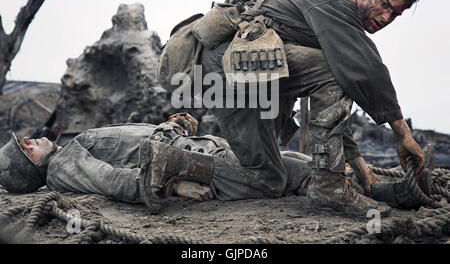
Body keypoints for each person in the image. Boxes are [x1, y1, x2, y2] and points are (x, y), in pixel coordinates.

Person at [193, 0, 425, 214]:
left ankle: (175, 162)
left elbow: (331, 106)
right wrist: (403, 135)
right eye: (386, 5)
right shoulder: (336, 5)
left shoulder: (336, 20)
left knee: (267, 180)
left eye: (395, 15)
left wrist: (361, 169)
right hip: (225, 69)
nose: (386, 18)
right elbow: (369, 70)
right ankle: (328, 189)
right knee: (337, 70)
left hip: (237, 77)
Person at [0, 113, 431, 214]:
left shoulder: (70, 146)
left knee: (296, 160)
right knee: (295, 174)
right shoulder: (63, 166)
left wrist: (174, 126)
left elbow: (135, 144)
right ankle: (384, 196)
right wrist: (173, 185)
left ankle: (378, 185)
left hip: (199, 150)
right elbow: (116, 182)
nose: (31, 138)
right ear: (29, 168)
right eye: (25, 147)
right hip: (193, 167)